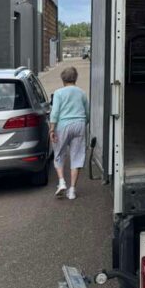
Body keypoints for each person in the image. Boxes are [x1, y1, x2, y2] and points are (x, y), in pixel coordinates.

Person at [49, 66, 89, 200]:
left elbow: (55, 112)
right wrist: (84, 124)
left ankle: (61, 182)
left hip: (63, 125)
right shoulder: (82, 93)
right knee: (77, 156)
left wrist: (52, 128)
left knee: (59, 153)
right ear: (75, 78)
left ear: (63, 79)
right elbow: (87, 112)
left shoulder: (58, 93)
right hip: (79, 124)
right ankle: (72, 190)